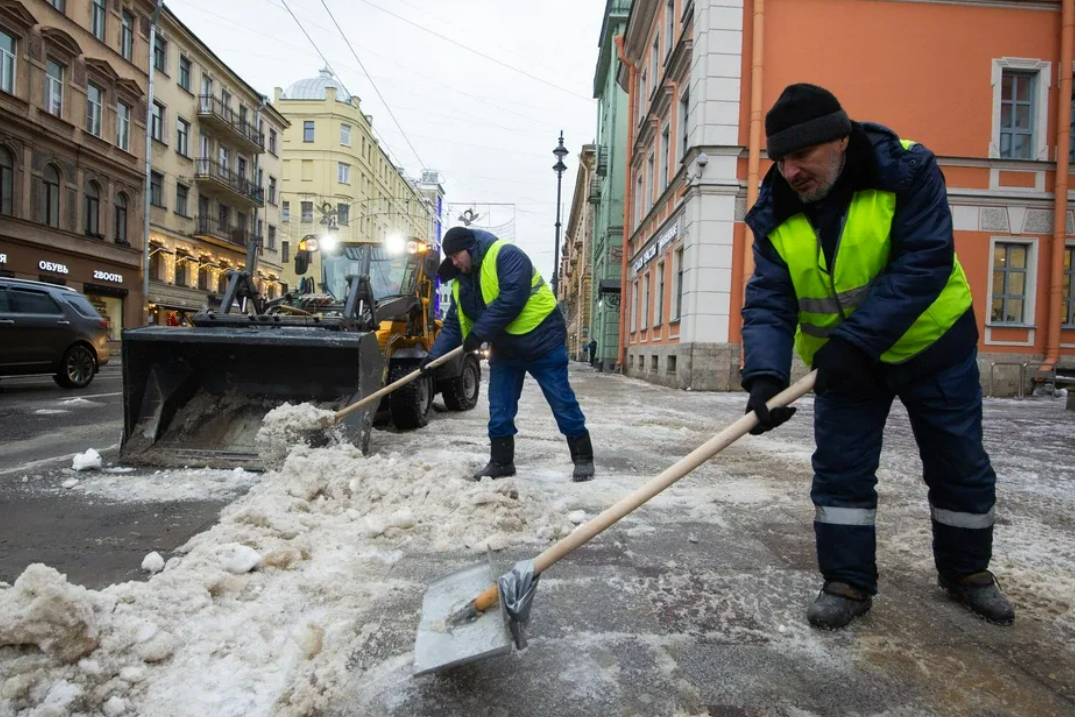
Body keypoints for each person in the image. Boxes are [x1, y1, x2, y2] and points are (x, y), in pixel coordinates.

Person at [741, 83, 1014, 630]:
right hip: (843, 368)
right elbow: (770, 299)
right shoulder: (776, 211)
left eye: (802, 156)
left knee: (959, 465)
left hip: (932, 348)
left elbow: (924, 263)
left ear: (840, 140)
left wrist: (856, 343)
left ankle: (968, 573)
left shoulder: (907, 171)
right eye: (780, 159)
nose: (790, 171)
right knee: (841, 473)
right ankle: (846, 582)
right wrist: (765, 376)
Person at [422, 226, 595, 482]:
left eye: (456, 255)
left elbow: (511, 299)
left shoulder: (506, 255)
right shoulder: (462, 283)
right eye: (451, 258)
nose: (454, 261)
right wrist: (432, 358)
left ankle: (583, 458)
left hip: (542, 341)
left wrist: (478, 333)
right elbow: (453, 326)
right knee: (499, 406)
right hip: (505, 349)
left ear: (469, 248)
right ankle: (501, 463)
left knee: (561, 401)